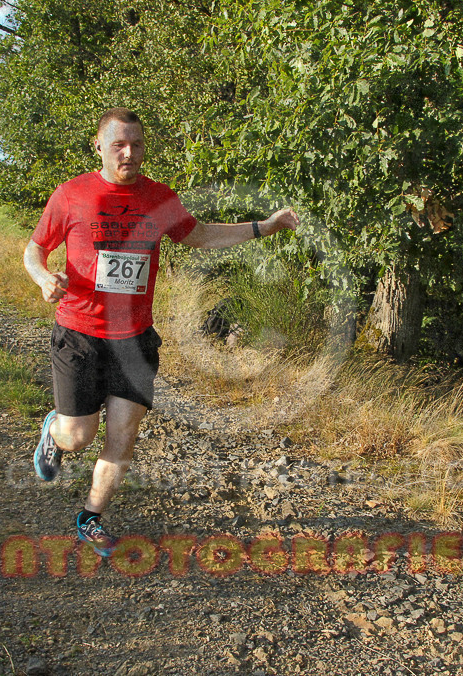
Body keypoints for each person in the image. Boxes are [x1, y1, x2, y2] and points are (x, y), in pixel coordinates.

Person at [23, 108, 298, 557]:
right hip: (79, 332)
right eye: (118, 144)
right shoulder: (71, 195)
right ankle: (54, 428)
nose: (129, 153)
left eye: (137, 144)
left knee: (122, 436)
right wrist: (41, 276)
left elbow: (202, 235)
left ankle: (90, 518)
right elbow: (35, 248)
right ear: (99, 146)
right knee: (79, 437)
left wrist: (262, 228)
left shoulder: (159, 198)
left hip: (133, 338)